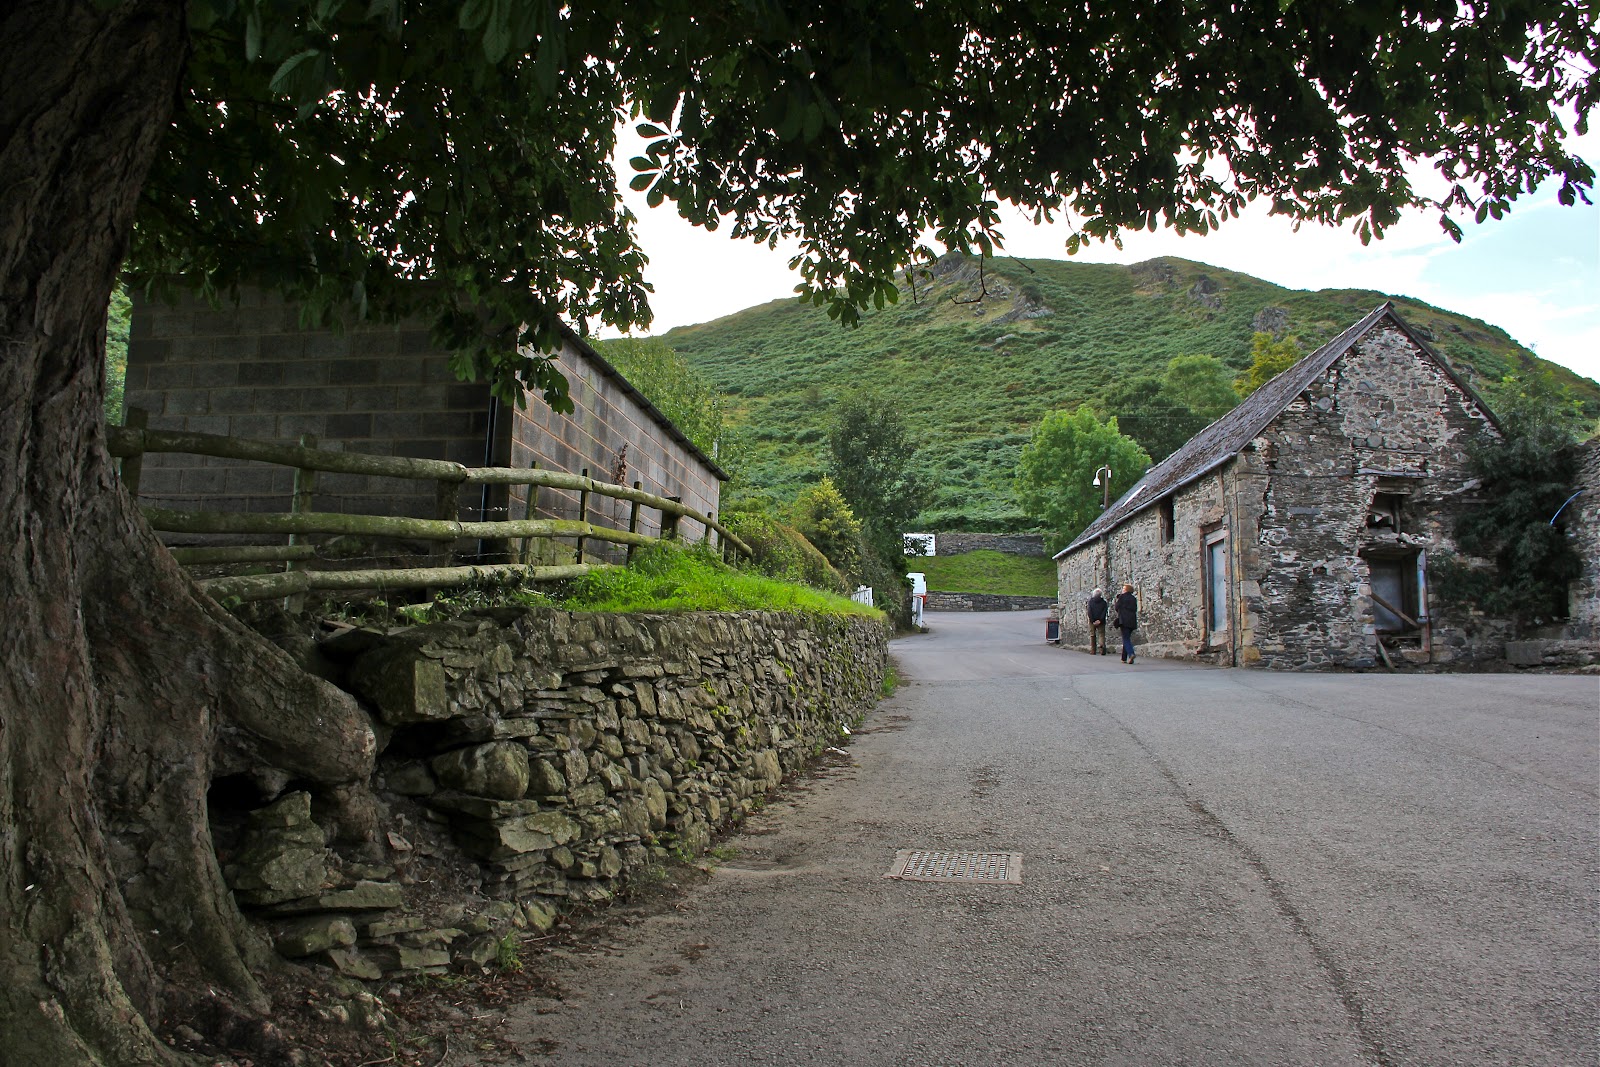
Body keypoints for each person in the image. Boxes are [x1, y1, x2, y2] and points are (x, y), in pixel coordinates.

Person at [1112, 583, 1138, 664]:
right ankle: (1124, 658)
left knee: (1126, 639)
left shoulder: (1122, 597)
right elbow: (1135, 609)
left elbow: (1117, 607)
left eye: (1123, 588)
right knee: (1127, 638)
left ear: (1126, 590)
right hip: (1132, 620)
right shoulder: (1133, 598)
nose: (1122, 590)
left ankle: (1131, 653)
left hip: (1124, 620)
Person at [1086, 588, 1109, 655]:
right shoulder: (1103, 603)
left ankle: (1093, 650)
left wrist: (1093, 620)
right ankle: (1102, 648)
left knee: (1092, 635)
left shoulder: (1091, 602)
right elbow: (1104, 612)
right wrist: (1100, 620)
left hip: (1092, 621)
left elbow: (1089, 612)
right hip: (1101, 621)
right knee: (1101, 634)